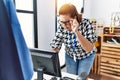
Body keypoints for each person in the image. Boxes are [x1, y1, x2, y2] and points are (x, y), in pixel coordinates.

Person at [50, 4, 97, 80]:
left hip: (86, 56)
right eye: (62, 22)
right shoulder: (62, 26)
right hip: (70, 55)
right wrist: (49, 61)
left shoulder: (86, 24)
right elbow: (56, 45)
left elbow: (89, 48)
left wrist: (76, 32)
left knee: (81, 78)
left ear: (74, 17)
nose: (64, 26)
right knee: (70, 77)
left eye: (67, 22)